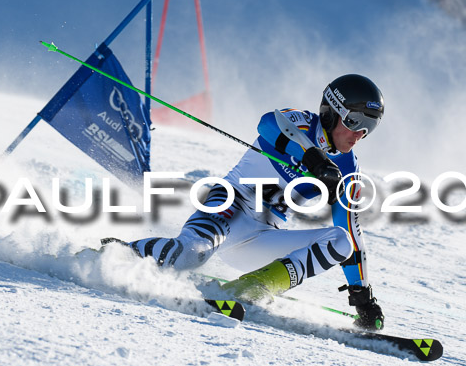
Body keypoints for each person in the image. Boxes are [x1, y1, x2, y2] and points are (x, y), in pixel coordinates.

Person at [110, 74, 385, 330]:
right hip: (229, 205)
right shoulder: (301, 123)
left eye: (369, 127)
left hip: (261, 237)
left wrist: (362, 296)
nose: (359, 134)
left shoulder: (348, 169)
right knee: (190, 254)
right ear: (331, 112)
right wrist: (312, 156)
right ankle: (118, 253)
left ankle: (252, 289)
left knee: (341, 241)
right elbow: (268, 124)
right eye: (354, 122)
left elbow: (349, 229)